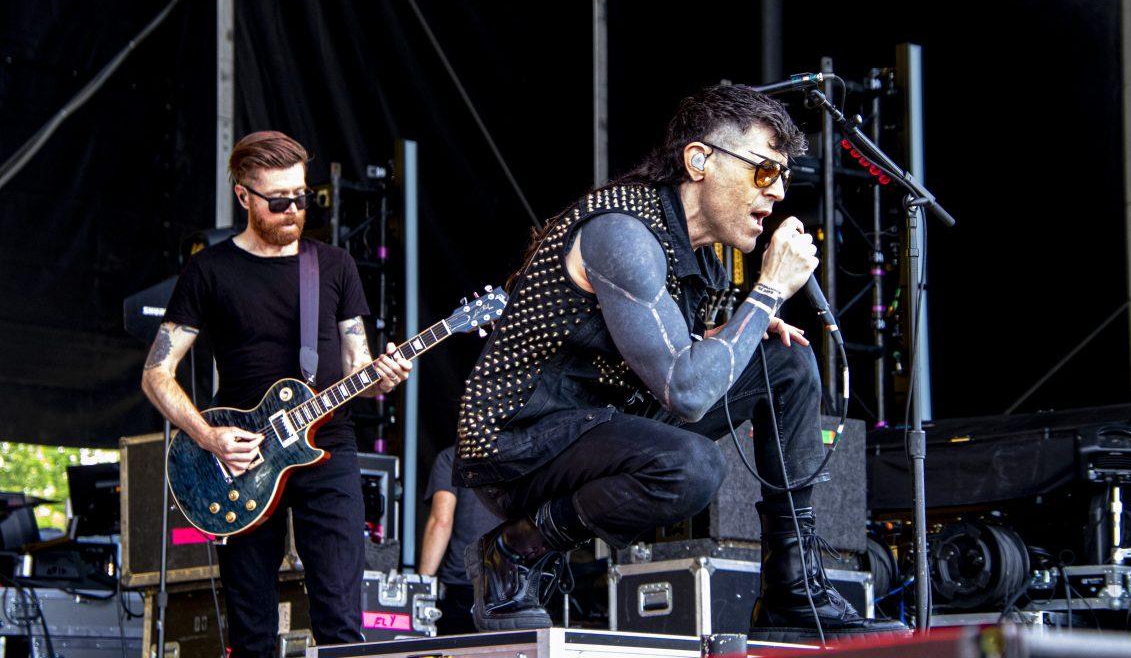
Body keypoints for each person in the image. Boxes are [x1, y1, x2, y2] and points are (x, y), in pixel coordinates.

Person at [453, 85, 905, 639]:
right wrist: (765, 294)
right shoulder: (621, 230)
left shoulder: (704, 255)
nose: (778, 193)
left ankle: (792, 585)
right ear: (699, 160)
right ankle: (514, 550)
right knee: (692, 467)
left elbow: (670, 347)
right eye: (765, 172)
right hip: (519, 440)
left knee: (783, 364)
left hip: (605, 421)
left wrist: (741, 330)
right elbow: (684, 390)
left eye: (784, 177)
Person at [141, 131, 412, 656]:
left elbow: (360, 365)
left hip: (328, 449)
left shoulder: (333, 266)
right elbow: (156, 372)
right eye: (278, 199)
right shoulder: (209, 271)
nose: (293, 209)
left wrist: (383, 375)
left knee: (340, 619)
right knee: (252, 629)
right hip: (240, 462)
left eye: (301, 197)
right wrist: (209, 436)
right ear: (243, 196)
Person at [419, 445, 504, 635]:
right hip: (516, 590)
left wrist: (421, 588)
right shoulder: (526, 455)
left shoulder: (452, 458)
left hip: (463, 588)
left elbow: (441, 521)